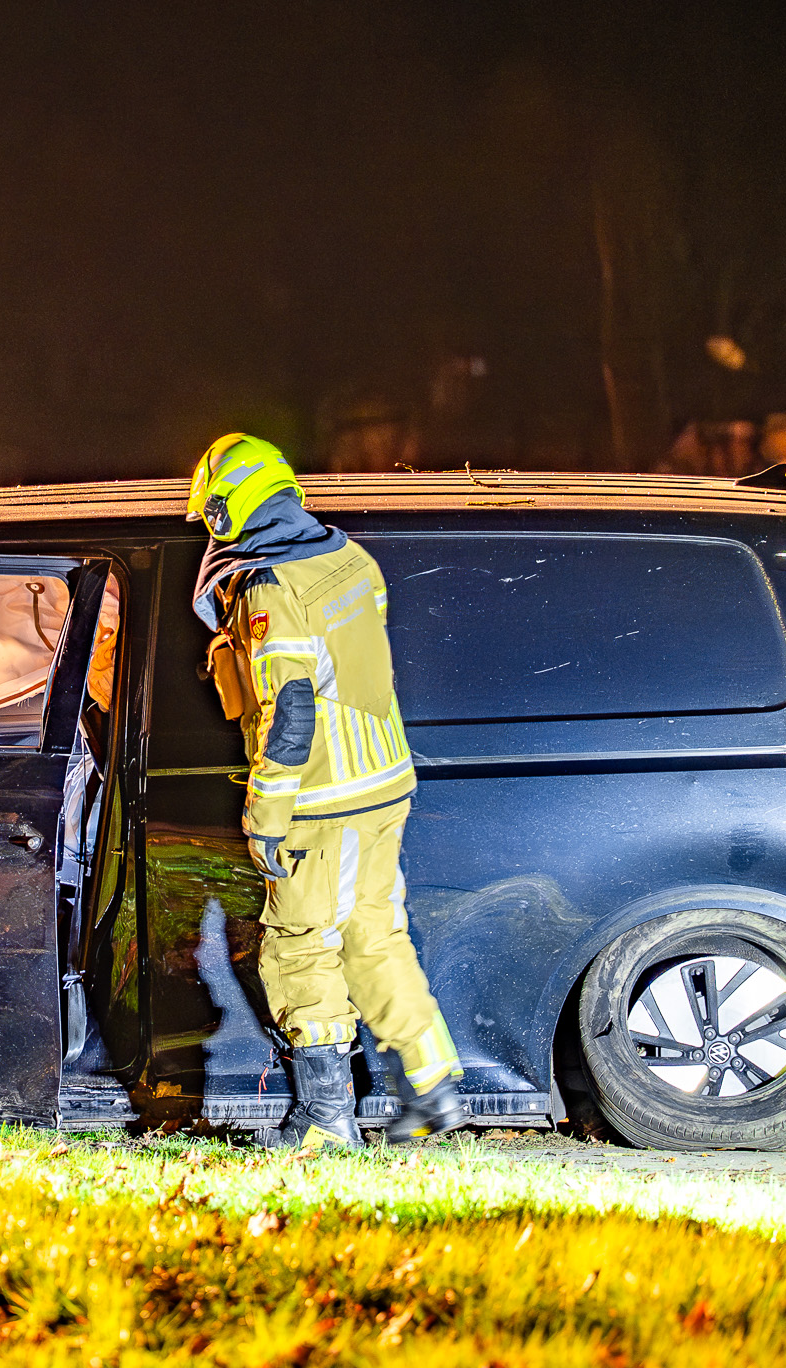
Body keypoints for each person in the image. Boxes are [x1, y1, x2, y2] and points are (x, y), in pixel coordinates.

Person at [188, 433, 465, 1148]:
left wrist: (266, 815)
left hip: (324, 799)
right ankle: (436, 1087)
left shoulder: (270, 588)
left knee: (299, 945)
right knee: (375, 933)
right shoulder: (349, 558)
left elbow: (290, 710)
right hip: (383, 782)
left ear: (227, 508)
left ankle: (325, 1121)